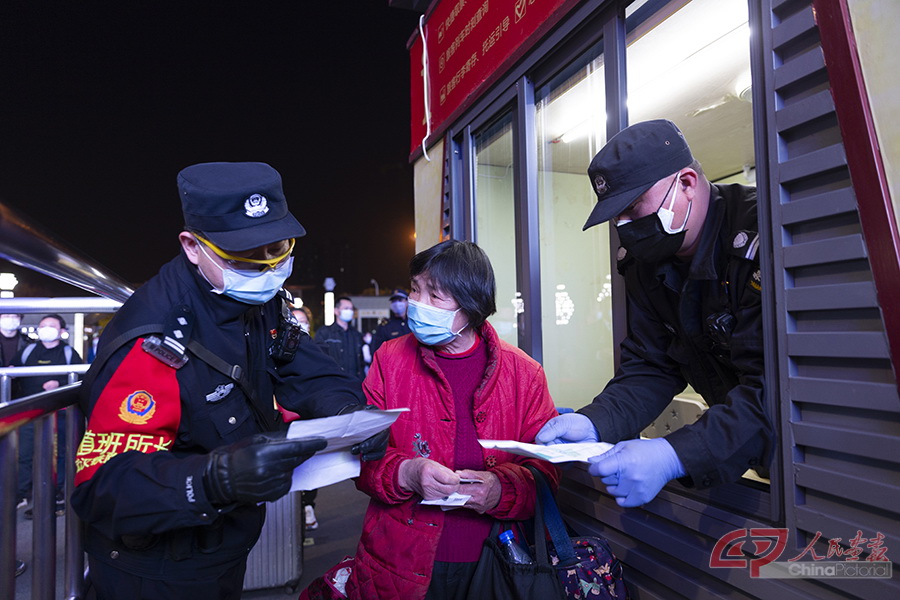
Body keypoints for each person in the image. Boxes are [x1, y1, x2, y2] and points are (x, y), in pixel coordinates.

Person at [70, 162, 388, 600]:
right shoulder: (153, 342)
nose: (264, 269)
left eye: (276, 249)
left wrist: (348, 412)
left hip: (221, 546)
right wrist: (212, 479)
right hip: (157, 569)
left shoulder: (258, 301)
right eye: (243, 256)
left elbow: (305, 366)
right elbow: (101, 486)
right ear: (192, 247)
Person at [536, 119, 774, 507]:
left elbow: (778, 390)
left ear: (686, 183)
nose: (624, 226)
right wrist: (597, 422)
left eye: (633, 207)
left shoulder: (764, 238)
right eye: (617, 215)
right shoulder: (647, 263)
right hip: (747, 448)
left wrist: (674, 455)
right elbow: (652, 364)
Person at [345, 240, 560, 600]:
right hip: (399, 561)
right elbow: (361, 456)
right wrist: (407, 472)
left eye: (435, 296)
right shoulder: (389, 360)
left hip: (497, 562)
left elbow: (545, 472)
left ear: (471, 306)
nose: (418, 304)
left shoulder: (524, 374)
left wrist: (500, 491)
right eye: (416, 289)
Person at [12, 313, 83, 517]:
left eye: (51, 326)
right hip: (29, 413)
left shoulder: (69, 353)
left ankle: (57, 492)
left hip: (58, 415)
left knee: (57, 454)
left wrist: (59, 384)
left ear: (62, 331)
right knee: (25, 453)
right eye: (42, 326)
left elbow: (80, 379)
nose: (45, 330)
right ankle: (21, 492)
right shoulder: (28, 351)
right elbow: (12, 371)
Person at [315, 296, 365, 380]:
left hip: (355, 382)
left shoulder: (356, 335)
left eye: (351, 309)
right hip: (334, 382)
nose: (349, 311)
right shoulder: (325, 333)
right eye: (346, 308)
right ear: (336, 311)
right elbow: (319, 359)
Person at [370, 288, 411, 355]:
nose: (397, 303)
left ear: (407, 302)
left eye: (400, 300)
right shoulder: (385, 326)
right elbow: (376, 351)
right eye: (394, 301)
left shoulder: (414, 323)